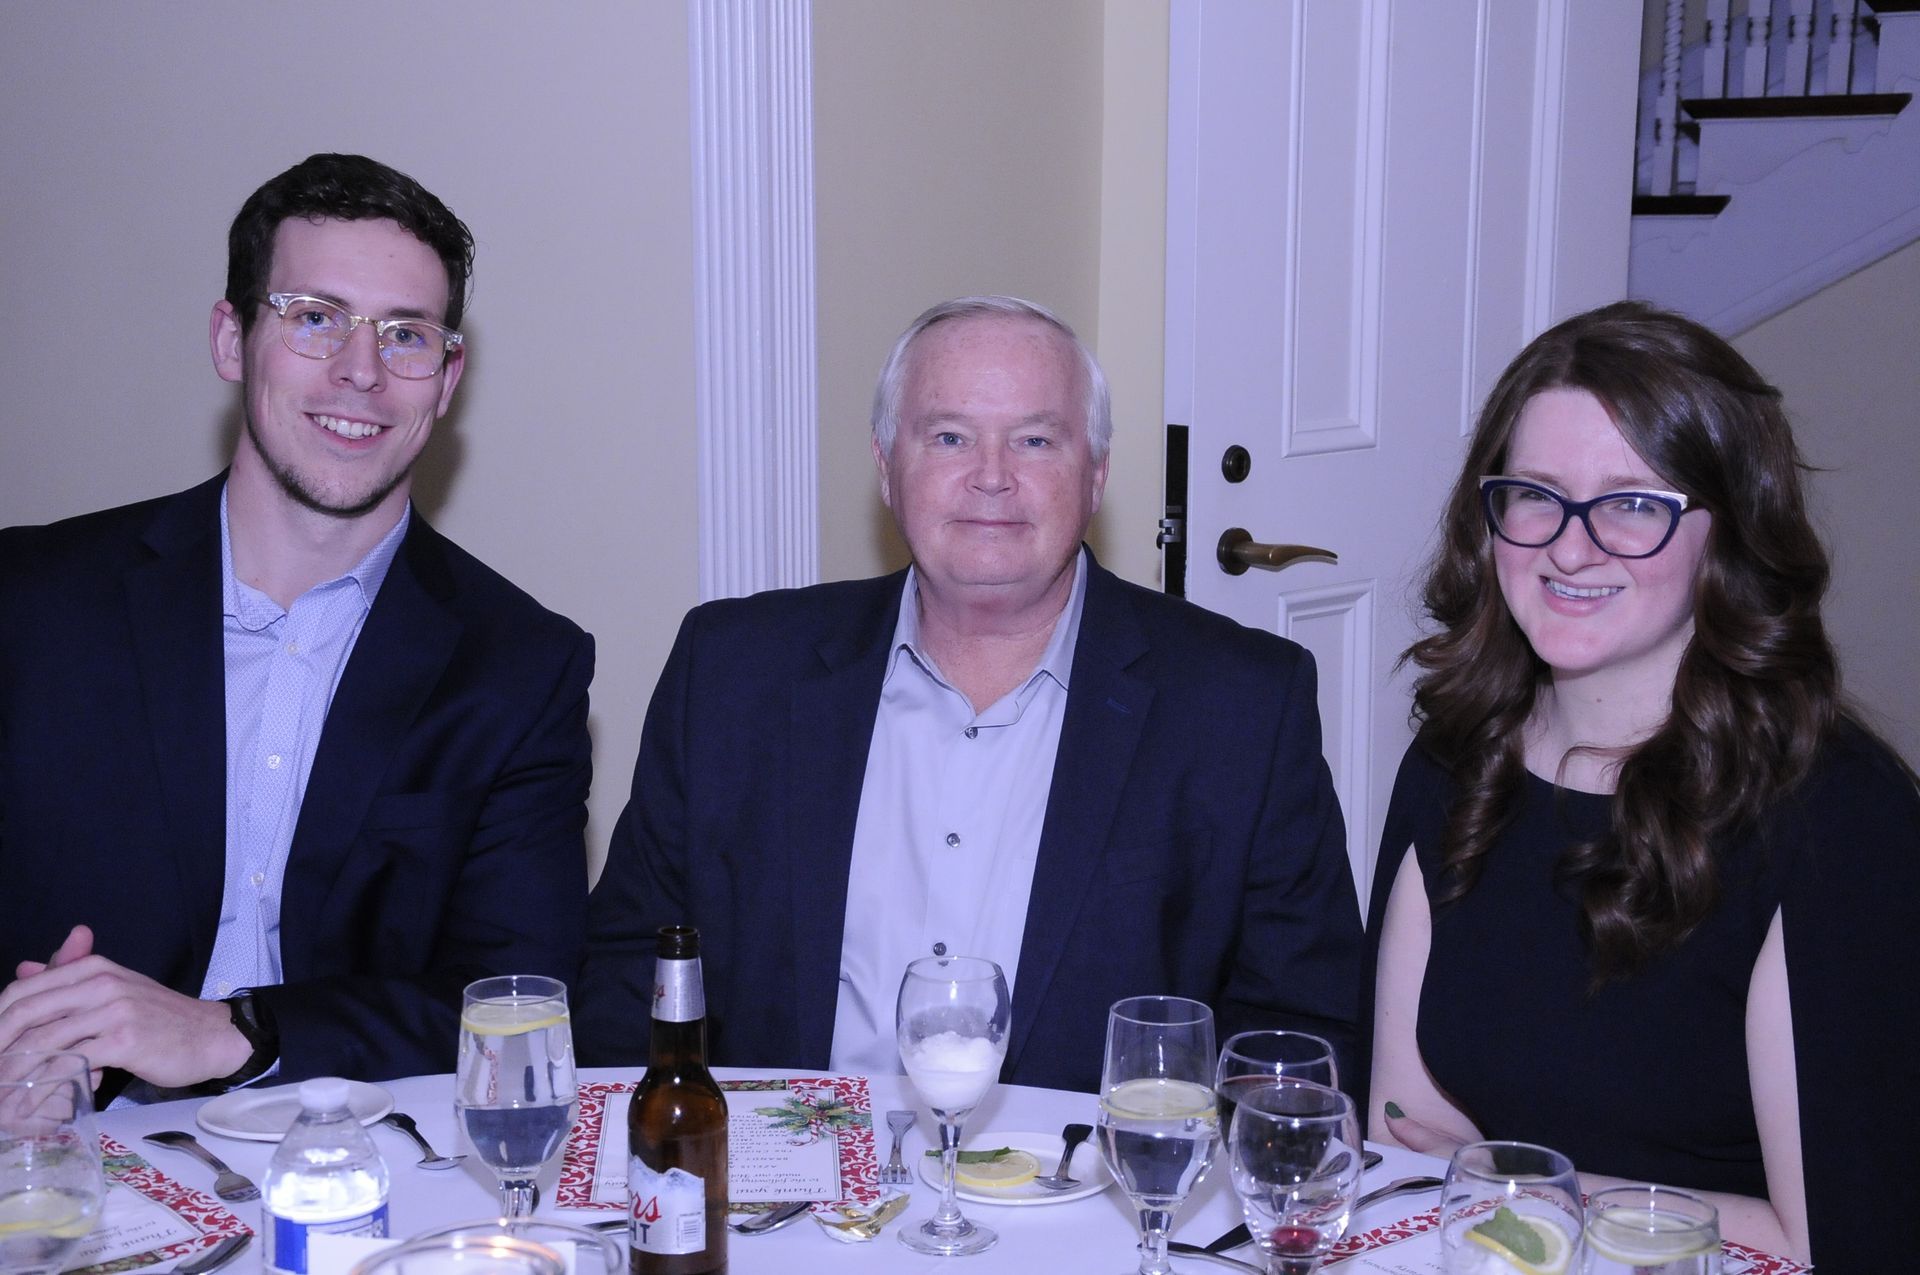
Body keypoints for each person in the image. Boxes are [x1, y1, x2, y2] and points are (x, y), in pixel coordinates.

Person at [577, 295, 1362, 1092]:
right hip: (788, 1196)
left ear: (1096, 473)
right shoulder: (733, 674)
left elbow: (1300, 1033)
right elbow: (628, 974)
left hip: (1100, 1201)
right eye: (949, 436)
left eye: (1035, 439)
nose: (992, 476)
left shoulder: (1243, 707)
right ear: (886, 466)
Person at [0, 154, 594, 1098]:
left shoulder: (519, 666)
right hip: (58, 1164)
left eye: (406, 334)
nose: (361, 372)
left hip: (364, 1160)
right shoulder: (32, 604)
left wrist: (235, 1033)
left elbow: (519, 1006)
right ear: (232, 340)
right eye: (314, 318)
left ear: (446, 378)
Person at [1365, 300, 1920, 1266]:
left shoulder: (1836, 818)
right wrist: (1498, 1183)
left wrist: (1516, 1180)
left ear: (1728, 536)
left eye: (1633, 504)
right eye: (1536, 494)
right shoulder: (1455, 760)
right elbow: (1402, 1129)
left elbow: (1834, 1240)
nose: (1570, 548)